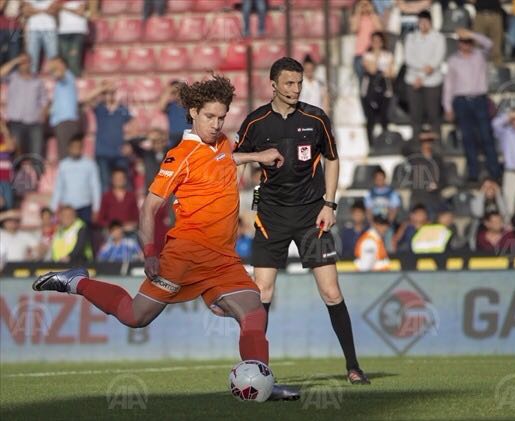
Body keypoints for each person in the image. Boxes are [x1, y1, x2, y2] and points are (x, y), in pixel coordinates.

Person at [32, 74, 298, 400]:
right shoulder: (179, 155)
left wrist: (256, 156)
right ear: (193, 113)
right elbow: (150, 207)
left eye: (221, 117)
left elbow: (223, 160)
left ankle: (261, 384)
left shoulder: (223, 143)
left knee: (254, 311)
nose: (216, 124)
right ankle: (77, 282)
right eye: (209, 117)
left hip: (222, 257)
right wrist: (149, 252)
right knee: (135, 316)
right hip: (184, 255)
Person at [235, 57, 370, 384]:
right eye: (289, 83)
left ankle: (353, 366)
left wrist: (330, 204)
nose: (295, 89)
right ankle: (256, 369)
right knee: (262, 292)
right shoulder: (255, 123)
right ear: (273, 85)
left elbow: (332, 160)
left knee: (331, 292)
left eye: (299, 83)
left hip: (313, 215)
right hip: (271, 216)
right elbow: (233, 159)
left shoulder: (316, 118)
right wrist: (239, 199)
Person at [443, 28, 501, 182]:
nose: (466, 45)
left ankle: (495, 171)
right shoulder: (453, 60)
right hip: (461, 101)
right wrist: (447, 106)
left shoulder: (480, 56)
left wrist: (471, 34)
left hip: (479, 99)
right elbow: (449, 84)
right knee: (468, 138)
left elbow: (489, 44)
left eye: (468, 42)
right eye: (463, 42)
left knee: (486, 136)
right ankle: (473, 173)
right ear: (459, 44)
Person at [404, 10, 445, 141]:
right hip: (413, 81)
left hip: (432, 81)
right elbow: (409, 59)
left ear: (430, 22)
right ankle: (416, 145)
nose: (423, 25)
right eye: (421, 22)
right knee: (415, 116)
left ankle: (437, 146)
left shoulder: (439, 38)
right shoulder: (411, 38)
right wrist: (420, 75)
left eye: (426, 22)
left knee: (434, 115)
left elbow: (436, 60)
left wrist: (421, 77)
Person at [85, 80, 133, 191]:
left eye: (111, 92)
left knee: (125, 185)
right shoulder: (99, 108)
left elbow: (135, 128)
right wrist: (102, 88)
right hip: (103, 153)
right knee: (104, 185)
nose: (109, 95)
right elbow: (85, 99)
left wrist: (129, 144)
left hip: (120, 153)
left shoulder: (122, 109)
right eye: (106, 93)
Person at [0, 54, 47, 157]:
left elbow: (44, 100)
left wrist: (43, 113)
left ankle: (35, 172)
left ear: (31, 63)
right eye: (22, 62)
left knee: (36, 155)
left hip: (34, 124)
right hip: (15, 123)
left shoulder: (38, 81)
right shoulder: (12, 77)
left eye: (27, 62)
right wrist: (16, 60)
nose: (24, 65)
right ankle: (17, 173)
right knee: (16, 155)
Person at [50, 134, 101, 226]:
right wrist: (53, 208)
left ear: (82, 148)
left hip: (85, 206)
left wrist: (96, 208)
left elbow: (95, 187)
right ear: (69, 148)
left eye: (78, 147)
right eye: (74, 147)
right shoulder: (63, 165)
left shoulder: (89, 164)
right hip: (68, 207)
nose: (76, 149)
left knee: (84, 235)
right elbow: (59, 187)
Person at [362, 31, 394, 145]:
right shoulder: (367, 55)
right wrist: (377, 56)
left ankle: (385, 140)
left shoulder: (388, 55)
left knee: (384, 116)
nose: (376, 43)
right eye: (374, 41)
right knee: (370, 118)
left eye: (378, 41)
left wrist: (383, 68)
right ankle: (370, 143)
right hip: (370, 91)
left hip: (384, 89)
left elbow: (391, 73)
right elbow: (372, 69)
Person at [47, 56, 81, 159]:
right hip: (63, 121)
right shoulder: (64, 80)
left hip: (66, 121)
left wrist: (52, 67)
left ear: (63, 65)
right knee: (65, 153)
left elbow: (59, 74)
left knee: (66, 155)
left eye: (56, 64)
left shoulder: (67, 76)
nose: (53, 66)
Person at [97, 168, 139, 234]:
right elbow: (100, 220)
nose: (119, 180)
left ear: (125, 180)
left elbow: (136, 218)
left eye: (121, 178)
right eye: (116, 178)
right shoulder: (106, 196)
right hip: (111, 233)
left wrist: (130, 225)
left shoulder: (131, 196)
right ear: (112, 180)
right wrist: (114, 227)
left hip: (128, 233)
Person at [350, 0, 383, 82]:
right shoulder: (355, 17)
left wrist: (372, 12)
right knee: (362, 81)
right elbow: (354, 29)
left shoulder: (374, 17)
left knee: (374, 81)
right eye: (362, 5)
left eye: (366, 4)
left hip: (373, 53)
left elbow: (380, 30)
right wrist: (358, 12)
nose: (364, 7)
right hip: (360, 54)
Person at [23, 0, 58, 74]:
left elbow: (54, 12)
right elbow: (26, 13)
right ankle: (32, 80)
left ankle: (53, 80)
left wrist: (34, 10)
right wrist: (45, 10)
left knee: (53, 56)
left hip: (50, 29)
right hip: (33, 30)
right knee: (31, 58)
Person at [57, 0, 88, 76]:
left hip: (77, 31)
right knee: (65, 59)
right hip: (62, 31)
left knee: (74, 60)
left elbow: (80, 12)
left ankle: (75, 81)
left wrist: (64, 8)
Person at [469, 0, 504, 65]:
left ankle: (498, 70)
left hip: (495, 15)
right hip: (480, 15)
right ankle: (476, 69)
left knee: (496, 47)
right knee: (477, 45)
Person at [158, 80, 191, 148]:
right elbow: (161, 106)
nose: (176, 94)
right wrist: (169, 90)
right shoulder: (170, 105)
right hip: (174, 136)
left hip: (188, 133)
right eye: (174, 92)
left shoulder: (187, 103)